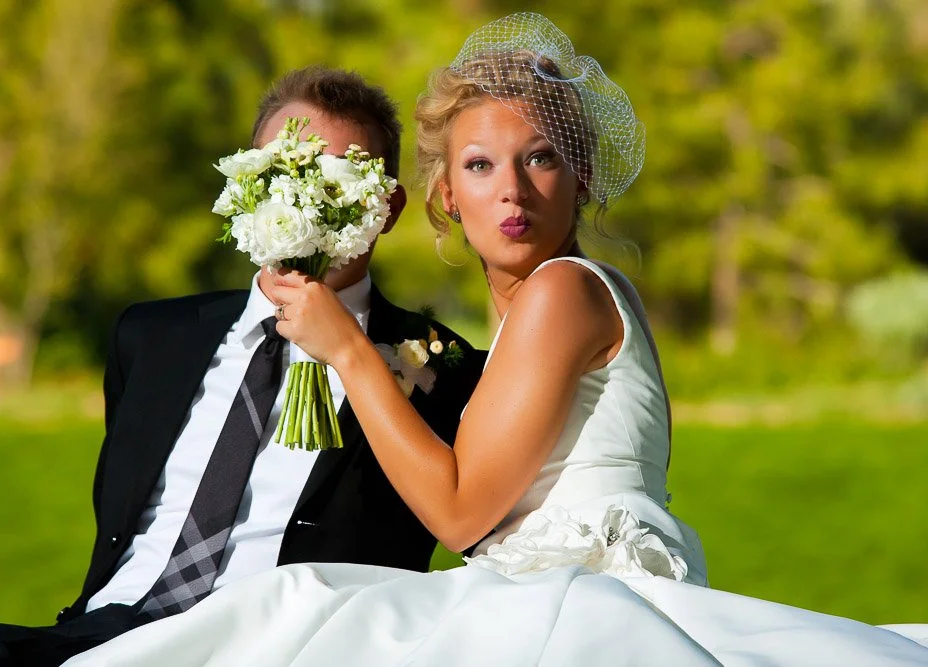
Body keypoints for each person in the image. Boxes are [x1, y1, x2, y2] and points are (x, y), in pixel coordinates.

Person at [63, 13, 928, 667]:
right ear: (445, 196)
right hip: (515, 587)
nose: (511, 189)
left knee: (300, 609)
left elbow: (460, 509)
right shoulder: (516, 323)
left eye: (541, 157)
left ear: (581, 176)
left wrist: (351, 352)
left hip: (577, 600)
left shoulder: (563, 294)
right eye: (479, 165)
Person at [0, 67, 485, 667]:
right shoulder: (150, 337)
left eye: (335, 178)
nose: (301, 194)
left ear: (387, 207)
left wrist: (349, 350)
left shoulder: (441, 364)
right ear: (246, 184)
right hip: (105, 631)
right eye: (278, 170)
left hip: (285, 646)